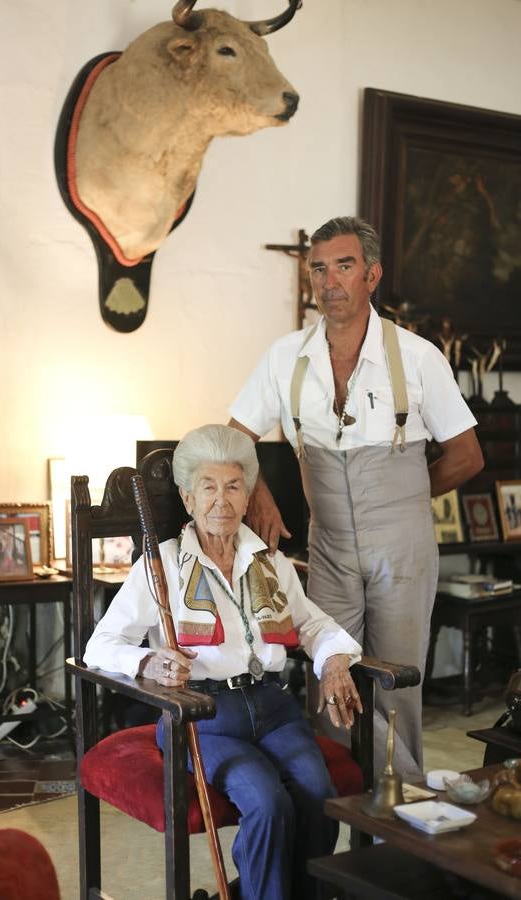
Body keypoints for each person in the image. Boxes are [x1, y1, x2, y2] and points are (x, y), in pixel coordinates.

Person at [228, 216, 484, 781]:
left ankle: (397, 830)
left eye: (343, 266)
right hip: (330, 545)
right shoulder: (285, 357)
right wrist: (259, 495)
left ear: (372, 274)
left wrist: (409, 498)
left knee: (395, 679)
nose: (329, 281)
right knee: (331, 677)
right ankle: (335, 812)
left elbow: (467, 456)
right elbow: (232, 441)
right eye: (319, 268)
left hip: (403, 543)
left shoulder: (418, 357)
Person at [84, 424, 363, 900]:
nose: (222, 500)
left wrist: (336, 660)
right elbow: (100, 645)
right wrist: (149, 662)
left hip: (273, 707)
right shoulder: (162, 564)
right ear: (188, 499)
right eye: (208, 488)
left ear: (247, 493)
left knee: (318, 792)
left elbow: (313, 625)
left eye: (233, 486)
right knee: (267, 802)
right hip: (202, 714)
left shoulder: (268, 561)